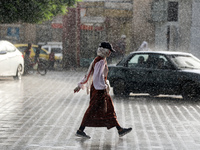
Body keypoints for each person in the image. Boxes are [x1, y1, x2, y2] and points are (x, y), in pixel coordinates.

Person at [74, 42, 132, 139]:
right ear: (104, 51)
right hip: (99, 90)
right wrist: (104, 86)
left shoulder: (98, 59)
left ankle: (120, 130)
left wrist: (80, 85)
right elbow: (97, 76)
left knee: (109, 108)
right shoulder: (100, 61)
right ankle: (80, 130)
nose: (110, 53)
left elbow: (88, 74)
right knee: (93, 109)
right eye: (109, 51)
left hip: (98, 88)